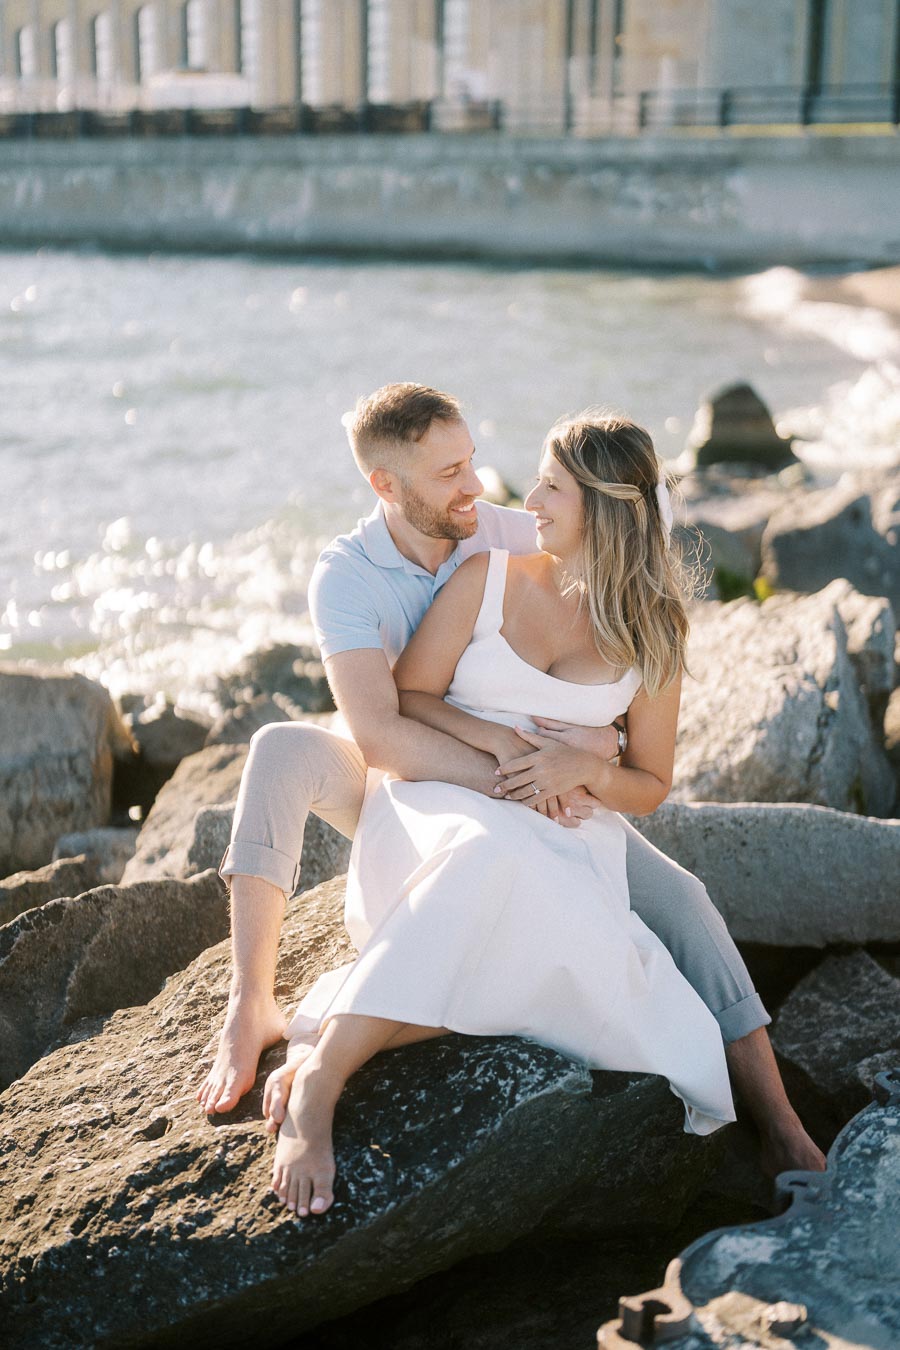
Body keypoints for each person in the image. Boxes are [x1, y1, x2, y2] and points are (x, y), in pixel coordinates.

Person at [196, 383, 825, 1198]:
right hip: (424, 777)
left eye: (476, 462)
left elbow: (647, 769)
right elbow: (388, 728)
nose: (484, 487)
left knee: (679, 908)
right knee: (292, 755)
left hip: (560, 809)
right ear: (389, 486)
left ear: (600, 510)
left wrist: (595, 756)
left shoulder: (511, 533)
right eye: (452, 471)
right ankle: (258, 1011)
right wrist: (516, 765)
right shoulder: (356, 578)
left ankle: (781, 1122)